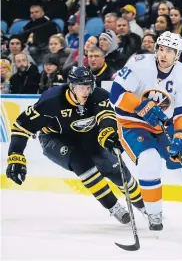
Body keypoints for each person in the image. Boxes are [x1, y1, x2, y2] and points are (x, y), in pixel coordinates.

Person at [109, 31, 182, 231]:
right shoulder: (138, 63)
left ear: (178, 55)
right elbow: (116, 94)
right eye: (161, 49)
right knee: (149, 160)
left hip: (165, 124)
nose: (163, 55)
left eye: (170, 51)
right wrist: (142, 107)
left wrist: (181, 135)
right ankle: (154, 213)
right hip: (132, 123)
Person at [6, 66, 145, 224]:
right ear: (71, 86)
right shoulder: (50, 101)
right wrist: (15, 155)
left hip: (88, 137)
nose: (86, 91)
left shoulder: (99, 95)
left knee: (116, 171)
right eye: (81, 87)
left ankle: (144, 206)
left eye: (89, 86)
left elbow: (106, 117)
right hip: (55, 139)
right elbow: (21, 126)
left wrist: (109, 134)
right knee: (81, 161)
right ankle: (113, 206)